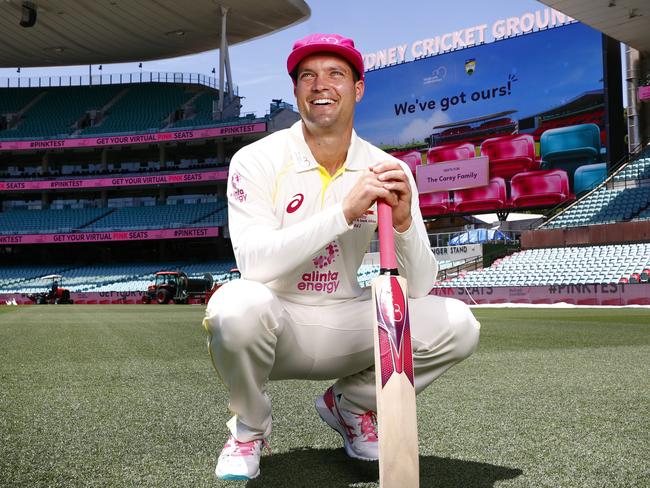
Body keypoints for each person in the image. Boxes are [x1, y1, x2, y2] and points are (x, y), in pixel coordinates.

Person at [203, 33, 481, 481]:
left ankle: (351, 404)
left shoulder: (386, 167)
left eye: (336, 74)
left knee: (459, 324)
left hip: (348, 325)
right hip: (277, 323)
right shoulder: (255, 160)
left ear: (358, 88)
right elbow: (254, 265)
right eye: (308, 76)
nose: (321, 85)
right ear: (296, 91)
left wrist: (406, 221)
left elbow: (423, 285)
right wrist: (344, 212)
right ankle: (249, 429)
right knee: (235, 306)